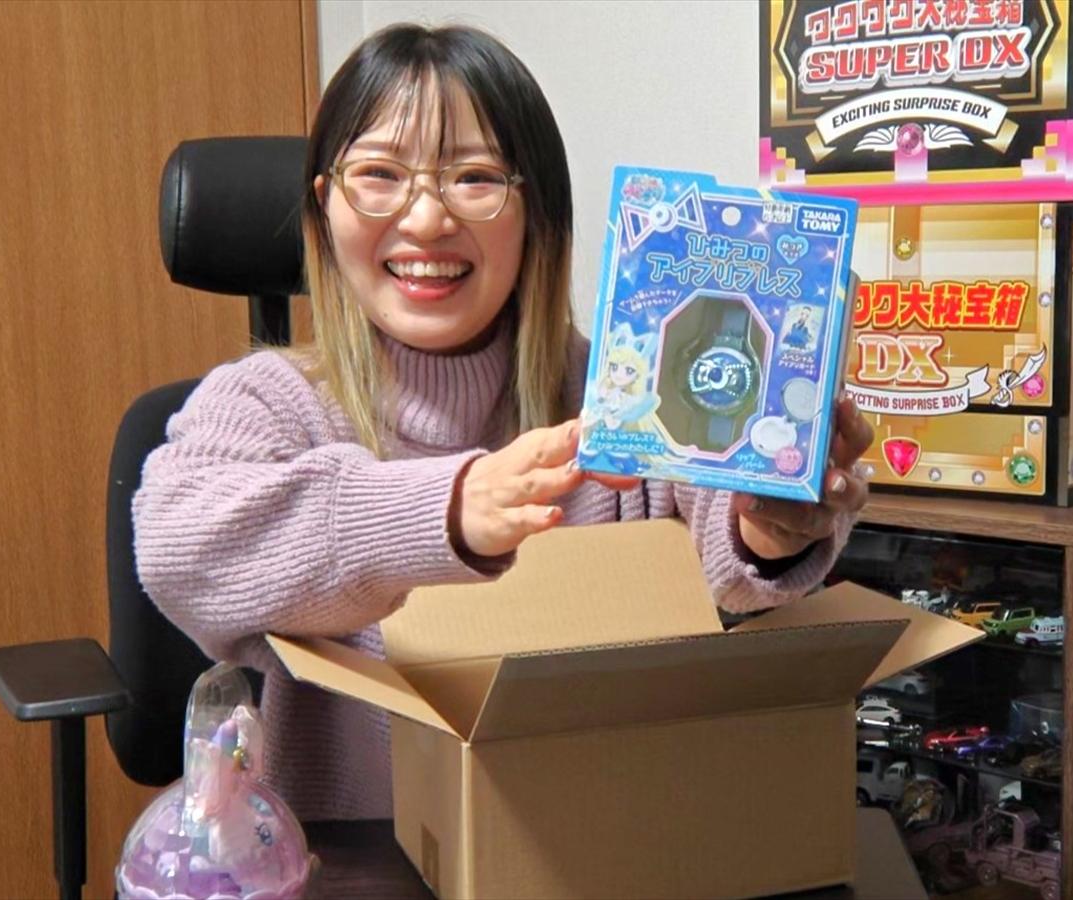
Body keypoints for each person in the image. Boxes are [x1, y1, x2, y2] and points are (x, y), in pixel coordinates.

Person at [133, 22, 874, 826]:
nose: (425, 220)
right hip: (350, 857)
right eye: (379, 174)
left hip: (593, 849)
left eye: (475, 178)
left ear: (535, 213)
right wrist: (449, 510)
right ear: (326, 204)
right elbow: (177, 552)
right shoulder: (269, 401)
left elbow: (723, 547)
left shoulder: (623, 396)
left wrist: (772, 526)